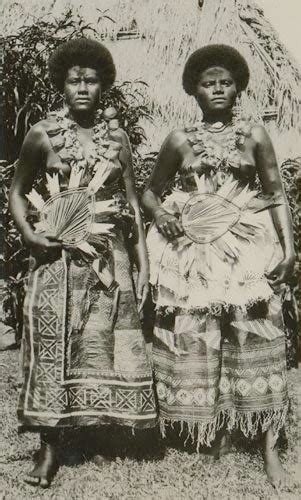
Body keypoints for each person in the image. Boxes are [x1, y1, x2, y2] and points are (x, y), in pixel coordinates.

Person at [142, 44, 295, 487]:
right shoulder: (178, 140)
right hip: (192, 253)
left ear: (239, 88)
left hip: (246, 251)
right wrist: (163, 215)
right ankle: (211, 429)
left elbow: (275, 193)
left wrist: (289, 250)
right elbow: (152, 192)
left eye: (226, 83)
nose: (218, 90)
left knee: (258, 335)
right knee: (197, 337)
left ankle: (269, 446)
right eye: (208, 83)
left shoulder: (255, 136)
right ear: (194, 90)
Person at [9, 37, 156, 488]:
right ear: (61, 84)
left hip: (109, 257)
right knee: (56, 344)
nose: (83, 89)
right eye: (74, 80)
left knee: (106, 343)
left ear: (104, 84)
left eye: (91, 80)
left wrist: (143, 263)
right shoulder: (43, 134)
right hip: (57, 259)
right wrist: (31, 234)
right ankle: (50, 448)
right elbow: (16, 191)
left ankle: (102, 434)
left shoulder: (117, 140)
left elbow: (131, 204)